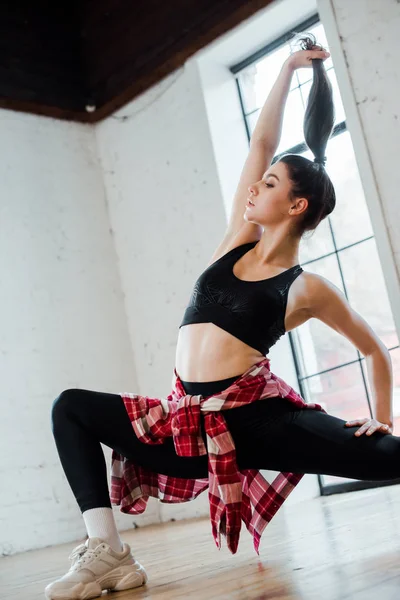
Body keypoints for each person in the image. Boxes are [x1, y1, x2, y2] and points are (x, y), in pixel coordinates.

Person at [46, 34, 398, 600]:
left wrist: (381, 415)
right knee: (72, 409)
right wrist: (287, 66)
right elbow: (261, 142)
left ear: (297, 206)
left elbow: (374, 349)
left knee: (389, 456)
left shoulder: (305, 287)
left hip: (264, 424)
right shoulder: (237, 241)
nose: (256, 186)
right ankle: (108, 555)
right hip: (185, 430)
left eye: (272, 184)